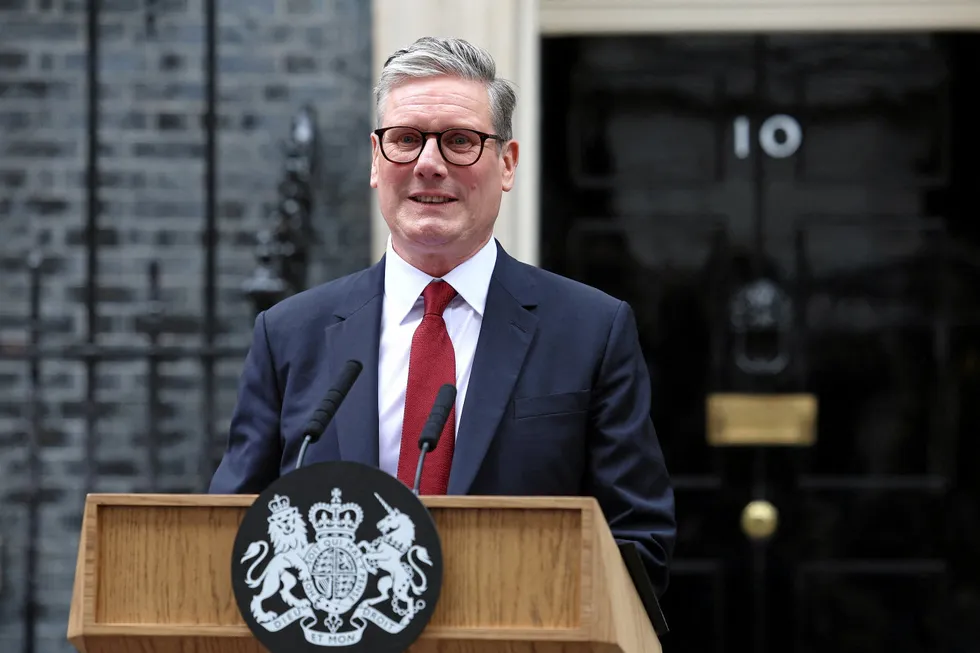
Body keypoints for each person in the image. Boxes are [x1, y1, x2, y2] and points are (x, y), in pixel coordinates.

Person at [209, 36, 676, 596]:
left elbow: (638, 541)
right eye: (405, 140)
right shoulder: (288, 335)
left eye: (459, 141)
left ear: (506, 163)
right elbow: (229, 533)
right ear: (376, 162)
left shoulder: (591, 331)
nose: (429, 164)